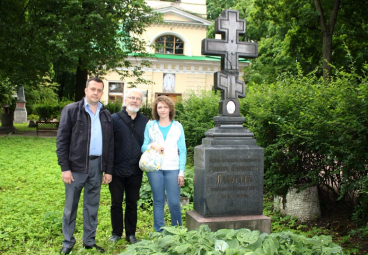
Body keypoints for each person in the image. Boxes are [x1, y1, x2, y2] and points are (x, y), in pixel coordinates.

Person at [56, 77, 114, 254]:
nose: (96, 93)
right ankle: (68, 241)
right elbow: (62, 140)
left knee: (92, 205)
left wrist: (108, 170)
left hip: (97, 166)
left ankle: (89, 241)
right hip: (76, 167)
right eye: (93, 89)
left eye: (99, 90)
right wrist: (65, 168)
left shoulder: (106, 114)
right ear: (86, 90)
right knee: (70, 206)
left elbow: (110, 144)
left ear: (102, 92)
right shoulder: (72, 110)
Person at [108, 88, 148, 244]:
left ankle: (131, 234)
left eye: (138, 99)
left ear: (141, 103)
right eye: (131, 97)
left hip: (135, 170)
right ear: (125, 100)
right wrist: (108, 170)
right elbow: (109, 145)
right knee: (116, 203)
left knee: (132, 203)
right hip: (117, 170)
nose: (134, 101)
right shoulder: (114, 119)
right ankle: (116, 233)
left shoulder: (145, 121)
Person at [141, 95, 186, 232]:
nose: (162, 110)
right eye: (159, 107)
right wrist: (153, 145)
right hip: (155, 168)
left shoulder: (177, 126)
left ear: (170, 108)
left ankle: (178, 231)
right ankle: (159, 232)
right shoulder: (151, 125)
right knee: (158, 201)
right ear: (156, 109)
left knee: (174, 203)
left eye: (165, 107)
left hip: (173, 168)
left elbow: (183, 151)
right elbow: (143, 146)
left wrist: (181, 172)